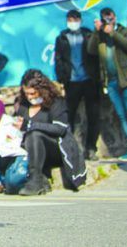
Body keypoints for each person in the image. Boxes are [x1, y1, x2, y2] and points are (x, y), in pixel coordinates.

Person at [2, 70, 87, 196]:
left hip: (55, 148)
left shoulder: (57, 102)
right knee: (11, 181)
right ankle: (40, 180)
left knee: (34, 134)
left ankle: (36, 182)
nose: (30, 97)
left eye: (33, 93)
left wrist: (30, 125)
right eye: (26, 94)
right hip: (29, 151)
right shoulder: (23, 106)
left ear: (42, 90)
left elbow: (60, 129)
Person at [88, 7, 127, 161]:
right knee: (122, 116)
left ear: (114, 17)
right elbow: (91, 50)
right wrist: (97, 32)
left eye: (110, 17)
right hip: (112, 82)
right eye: (105, 18)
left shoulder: (122, 31)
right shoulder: (100, 36)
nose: (108, 20)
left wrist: (112, 33)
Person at [53, 9, 101, 161]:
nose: (72, 21)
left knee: (93, 116)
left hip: (89, 80)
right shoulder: (61, 38)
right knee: (69, 117)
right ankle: (70, 150)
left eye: (75, 19)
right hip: (72, 82)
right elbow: (59, 59)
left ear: (80, 20)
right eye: (70, 19)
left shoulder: (87, 34)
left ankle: (91, 148)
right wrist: (62, 79)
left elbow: (96, 55)